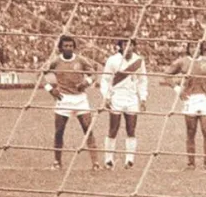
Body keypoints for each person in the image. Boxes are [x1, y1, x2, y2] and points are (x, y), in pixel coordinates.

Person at [41, 35, 100, 170]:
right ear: (61, 48)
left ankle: (95, 163)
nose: (68, 48)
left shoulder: (81, 60)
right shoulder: (55, 62)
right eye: (66, 46)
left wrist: (86, 82)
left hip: (80, 99)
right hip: (63, 99)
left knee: (88, 130)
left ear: (74, 47)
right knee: (59, 132)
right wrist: (51, 89)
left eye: (71, 46)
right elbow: (40, 75)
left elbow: (94, 74)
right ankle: (57, 162)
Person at [165, 42, 206, 170]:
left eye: (197, 47)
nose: (194, 49)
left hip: (205, 99)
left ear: (202, 48)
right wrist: (177, 89)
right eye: (191, 47)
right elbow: (167, 75)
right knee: (191, 131)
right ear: (188, 49)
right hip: (190, 99)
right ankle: (191, 163)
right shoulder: (182, 62)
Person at [100, 38, 148, 169]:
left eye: (130, 44)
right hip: (116, 96)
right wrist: (107, 97)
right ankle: (109, 159)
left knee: (131, 129)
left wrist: (143, 98)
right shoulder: (113, 60)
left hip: (132, 97)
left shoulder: (139, 61)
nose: (127, 47)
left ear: (134, 46)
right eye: (124, 44)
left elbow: (142, 80)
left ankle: (129, 160)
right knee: (113, 129)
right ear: (120, 46)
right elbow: (105, 80)